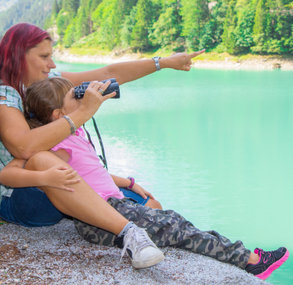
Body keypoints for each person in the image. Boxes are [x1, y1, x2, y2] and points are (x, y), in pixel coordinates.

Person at [0, 22, 200, 269]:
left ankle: (137, 236)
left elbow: (107, 74)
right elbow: (23, 148)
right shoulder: (5, 95)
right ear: (18, 56)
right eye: (44, 57)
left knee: (149, 204)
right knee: (46, 161)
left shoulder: (48, 81)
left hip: (62, 187)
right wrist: (82, 113)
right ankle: (129, 233)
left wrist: (163, 62)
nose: (52, 64)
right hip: (22, 197)